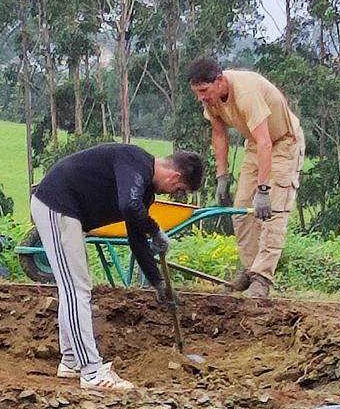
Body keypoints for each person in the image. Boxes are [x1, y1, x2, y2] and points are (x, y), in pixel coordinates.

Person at [30, 143, 203, 391]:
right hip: (56, 205)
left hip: (69, 214)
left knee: (77, 288)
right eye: (179, 188)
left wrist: (158, 283)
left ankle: (70, 362)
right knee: (76, 290)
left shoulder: (145, 192)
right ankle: (91, 372)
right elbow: (128, 206)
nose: (173, 193)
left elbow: (136, 239)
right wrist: (155, 229)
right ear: (175, 176)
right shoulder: (135, 160)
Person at [186, 55, 305, 298]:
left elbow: (266, 142)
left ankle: (262, 279)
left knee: (273, 211)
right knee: (241, 211)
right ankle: (250, 270)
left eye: (204, 90)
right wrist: (222, 176)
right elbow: (219, 136)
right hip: (255, 145)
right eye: (197, 92)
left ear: (219, 81)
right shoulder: (211, 100)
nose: (201, 97)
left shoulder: (247, 93)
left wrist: (263, 190)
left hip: (282, 143)